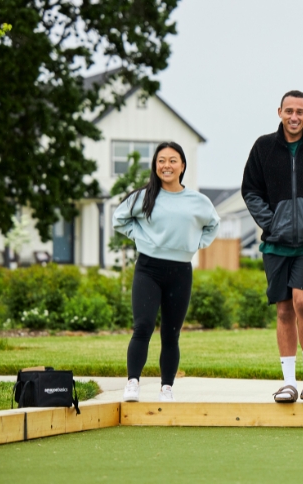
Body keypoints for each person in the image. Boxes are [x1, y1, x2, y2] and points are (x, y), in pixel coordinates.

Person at [241, 90, 303, 403]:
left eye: (300, 111)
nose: (294, 117)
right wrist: (271, 224)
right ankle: (288, 383)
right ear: (280, 112)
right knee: (284, 310)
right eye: (289, 111)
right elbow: (251, 191)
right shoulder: (263, 147)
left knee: (302, 302)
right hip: (275, 245)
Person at [114, 141, 220, 402]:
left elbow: (213, 225)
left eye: (172, 160)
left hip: (180, 272)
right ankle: (132, 383)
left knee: (171, 333)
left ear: (182, 165)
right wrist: (142, 238)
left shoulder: (198, 201)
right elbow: (119, 219)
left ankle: (167, 387)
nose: (166, 165)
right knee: (143, 326)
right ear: (155, 165)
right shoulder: (144, 196)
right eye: (161, 160)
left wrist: (196, 244)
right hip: (148, 269)